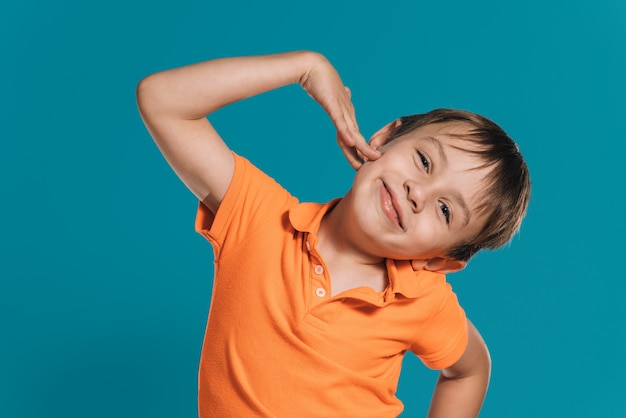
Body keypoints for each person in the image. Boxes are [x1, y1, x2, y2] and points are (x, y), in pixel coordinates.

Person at [136, 51, 530, 417]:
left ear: (439, 260)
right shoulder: (256, 216)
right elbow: (162, 100)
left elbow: (470, 369)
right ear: (382, 139)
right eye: (424, 161)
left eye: (445, 210)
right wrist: (305, 68)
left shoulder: (422, 299)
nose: (418, 193)